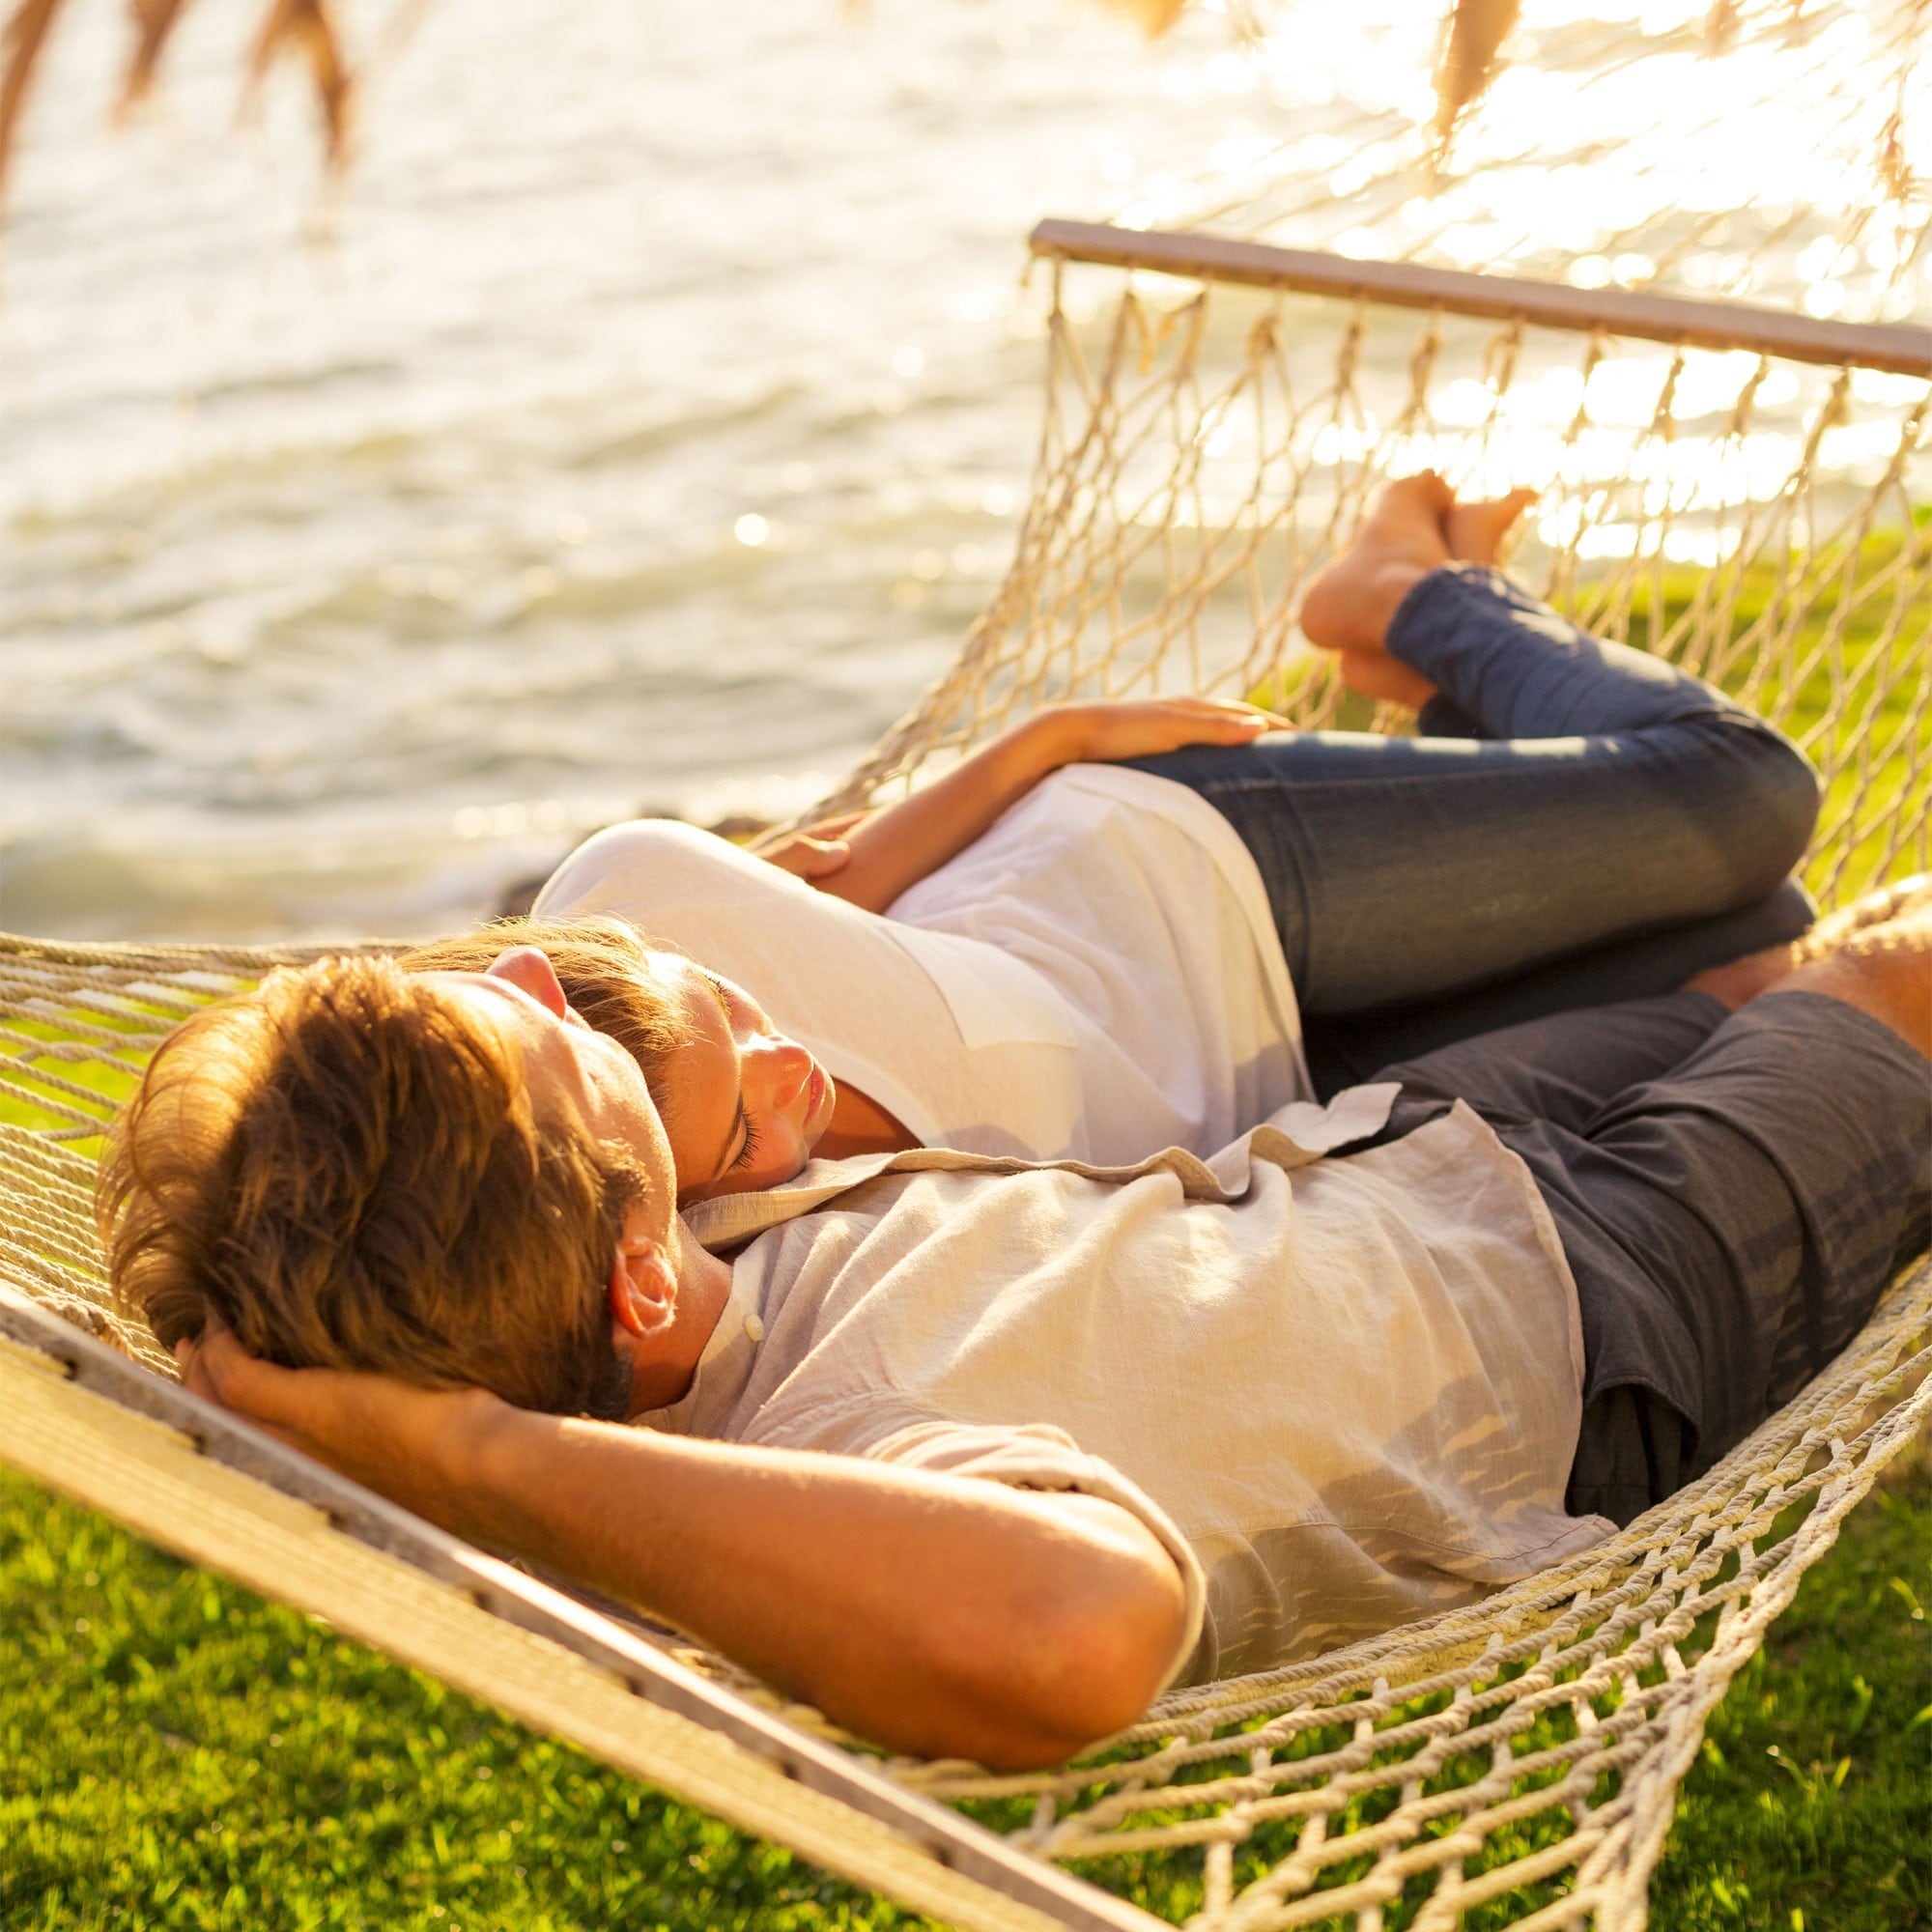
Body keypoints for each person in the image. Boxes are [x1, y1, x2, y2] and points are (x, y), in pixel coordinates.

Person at [111, 874, 1931, 1770]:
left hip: (1388, 1162)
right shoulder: (844, 1450)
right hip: (1578, 1342)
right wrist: (454, 1451)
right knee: (1886, 991)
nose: (530, 959)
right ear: (635, 1282)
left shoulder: (681, 1260)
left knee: (1738, 980)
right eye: (544, 1030)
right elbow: (1077, 1629)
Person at [404, 476, 1823, 1209]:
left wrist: (1050, 737)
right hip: (1287, 1069)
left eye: (734, 1020)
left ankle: (1408, 589)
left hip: (1194, 856)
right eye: (741, 1132)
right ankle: (1462, 722)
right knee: (1761, 927)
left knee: (1748, 798)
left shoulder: (632, 906)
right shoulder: (737, 1268)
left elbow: (848, 868)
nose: (790, 1065)